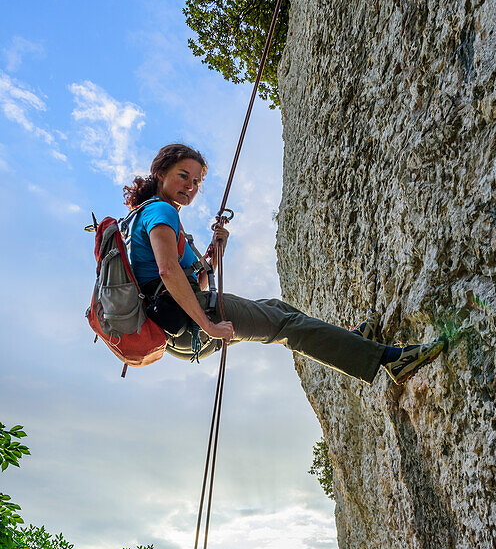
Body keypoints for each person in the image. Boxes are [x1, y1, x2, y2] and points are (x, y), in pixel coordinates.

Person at [123, 143, 445, 384]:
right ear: (161, 173)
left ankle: (354, 343)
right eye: (183, 176)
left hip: (177, 333)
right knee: (284, 326)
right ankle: (389, 360)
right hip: (194, 322)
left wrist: (216, 254)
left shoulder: (148, 215)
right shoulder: (160, 211)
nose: (190, 188)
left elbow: (192, 282)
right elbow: (168, 272)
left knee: (280, 310)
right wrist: (209, 326)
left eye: (195, 182)